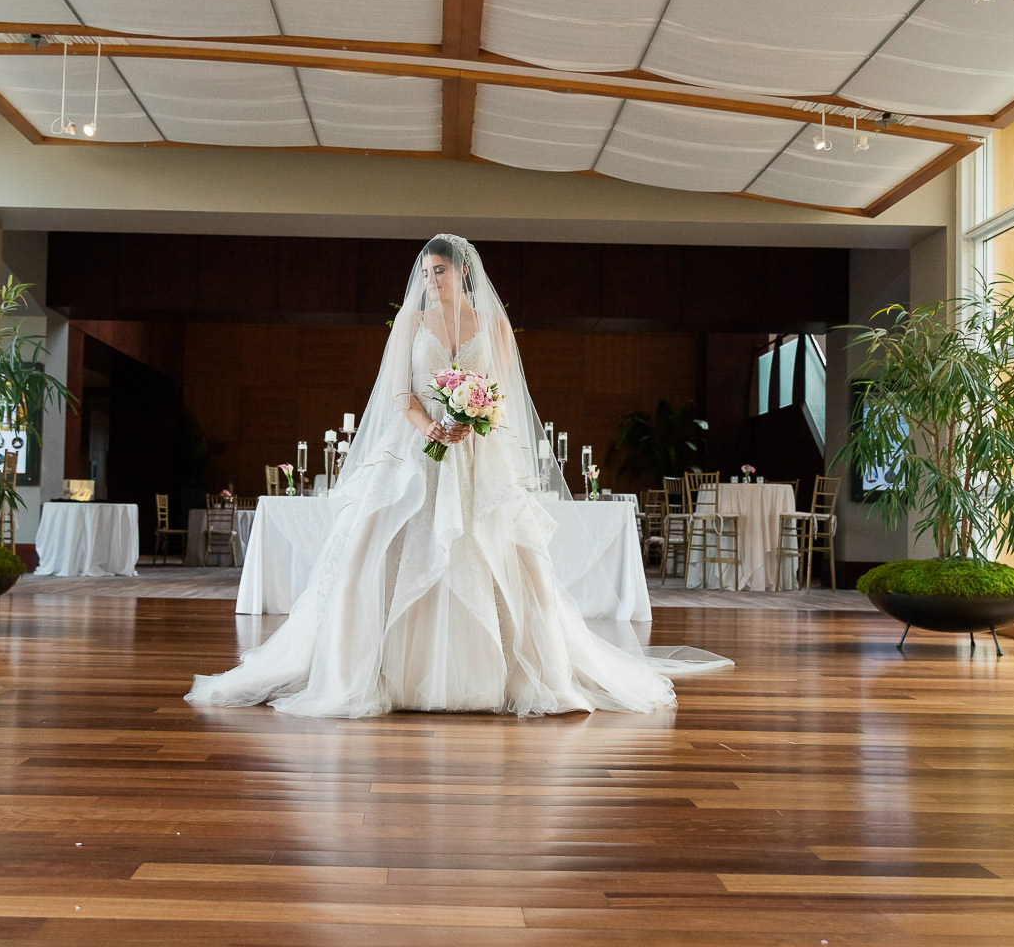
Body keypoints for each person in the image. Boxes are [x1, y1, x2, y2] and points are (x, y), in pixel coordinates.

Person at [186, 234, 729, 718]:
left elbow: (504, 396)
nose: (430, 281)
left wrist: (474, 418)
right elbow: (400, 392)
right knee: (372, 554)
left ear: (462, 271)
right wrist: (429, 426)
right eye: (424, 273)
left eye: (438, 271)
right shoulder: (410, 322)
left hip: (476, 458)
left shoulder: (493, 326)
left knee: (494, 555)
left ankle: (495, 675)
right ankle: (376, 673)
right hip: (414, 452)